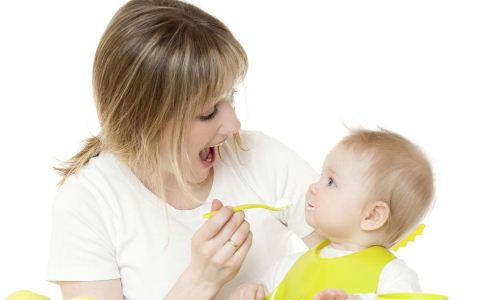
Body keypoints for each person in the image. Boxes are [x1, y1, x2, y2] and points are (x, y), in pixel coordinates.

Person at [45, 0, 322, 299]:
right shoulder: (90, 202)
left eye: (230, 97)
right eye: (208, 112)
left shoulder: (260, 157)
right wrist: (200, 282)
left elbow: (359, 255)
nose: (233, 124)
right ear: (144, 122)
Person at [231, 129, 434, 300]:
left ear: (371, 216)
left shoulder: (392, 275)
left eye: (331, 182)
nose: (313, 187)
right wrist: (251, 293)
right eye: (321, 177)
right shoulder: (288, 267)